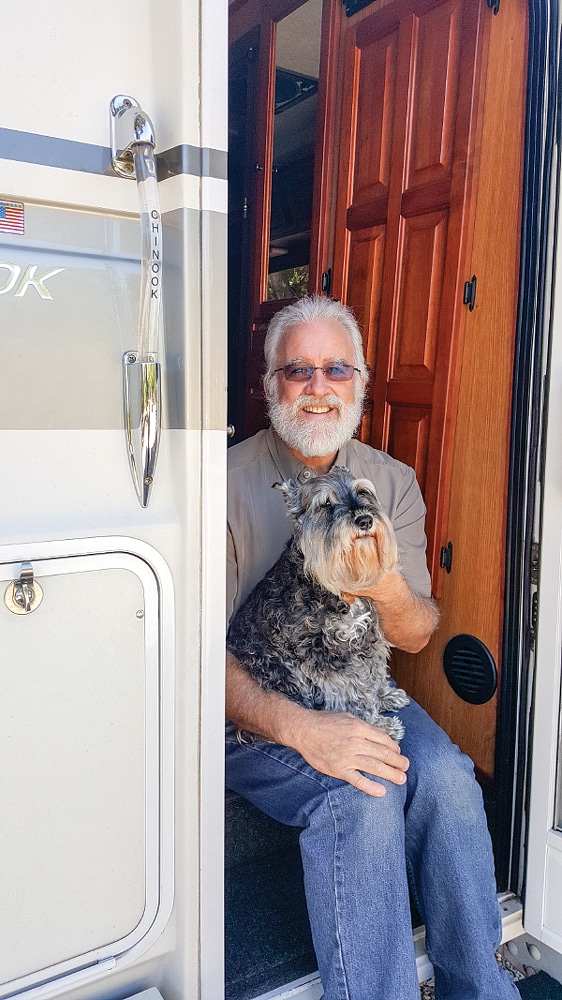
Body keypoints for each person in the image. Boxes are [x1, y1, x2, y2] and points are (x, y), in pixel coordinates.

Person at [225, 295, 518, 1000]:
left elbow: (416, 631)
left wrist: (383, 581)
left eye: (335, 369)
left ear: (359, 382)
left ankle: (480, 987)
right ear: (271, 386)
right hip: (251, 702)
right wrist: (302, 729)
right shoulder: (219, 486)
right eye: (299, 371)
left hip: (356, 686)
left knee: (446, 777)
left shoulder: (389, 483)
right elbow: (190, 656)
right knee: (363, 792)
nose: (318, 387)